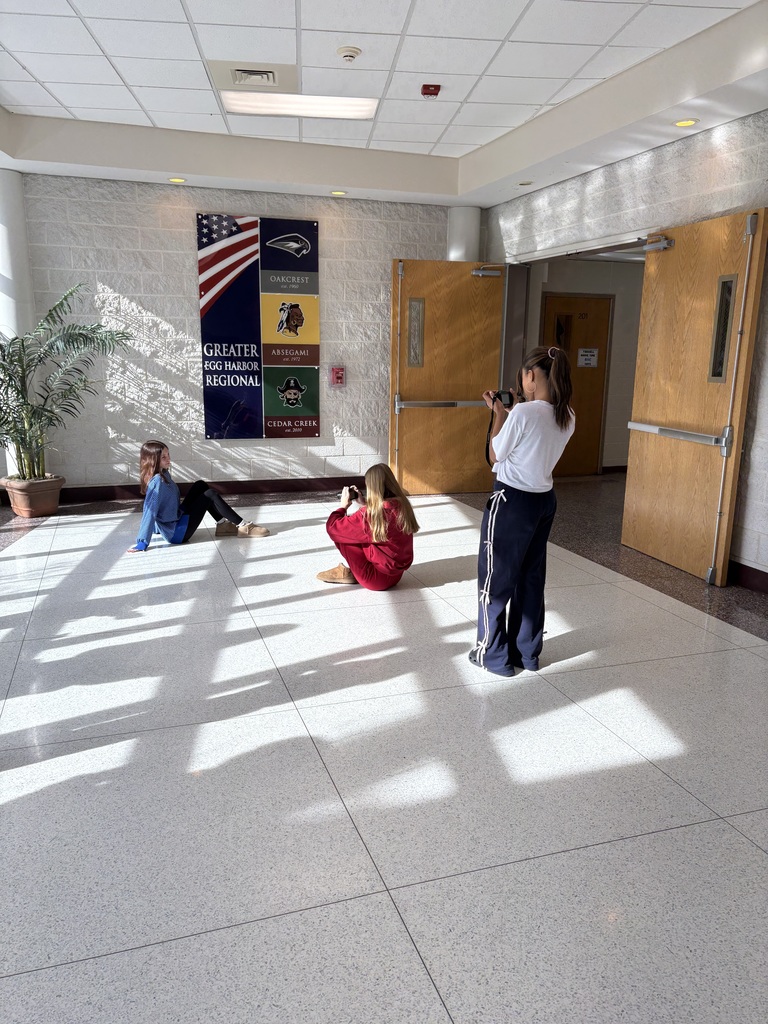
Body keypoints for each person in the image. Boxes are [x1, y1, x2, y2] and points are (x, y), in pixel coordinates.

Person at [469, 346, 575, 676]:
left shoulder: (522, 415)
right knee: (530, 579)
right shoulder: (567, 416)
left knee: (495, 579)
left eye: (524, 375)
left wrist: (501, 414)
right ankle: (526, 654)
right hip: (543, 502)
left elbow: (496, 454)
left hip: (510, 502)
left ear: (530, 376)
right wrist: (515, 412)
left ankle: (493, 655)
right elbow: (533, 438)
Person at [127, 440, 269, 553]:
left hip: (178, 519)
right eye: (163, 457)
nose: (168, 459)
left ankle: (223, 525)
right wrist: (142, 541)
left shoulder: (164, 474)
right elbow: (150, 510)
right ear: (153, 460)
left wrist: (158, 529)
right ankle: (244, 526)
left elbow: (161, 508)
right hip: (177, 533)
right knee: (210, 495)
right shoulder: (157, 481)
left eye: (168, 454)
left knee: (200, 485)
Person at [317, 463, 419, 591]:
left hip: (374, 580)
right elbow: (384, 514)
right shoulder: (403, 505)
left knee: (344, 535)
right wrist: (364, 503)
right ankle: (358, 570)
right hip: (396, 576)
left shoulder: (368, 515)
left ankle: (350, 572)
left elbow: (333, 528)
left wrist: (343, 507)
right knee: (366, 534)